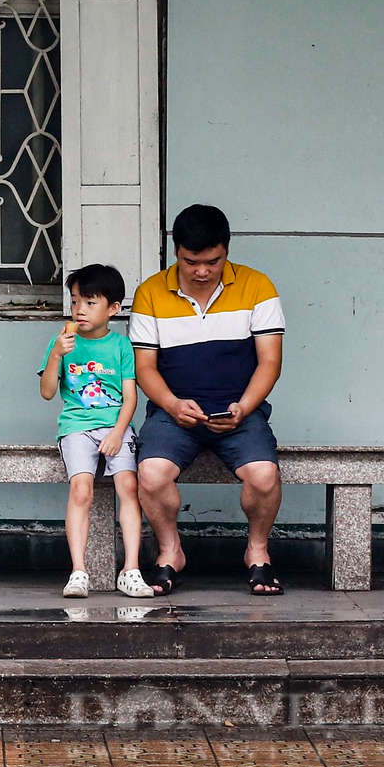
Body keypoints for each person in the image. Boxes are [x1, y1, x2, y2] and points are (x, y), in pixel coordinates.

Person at [130, 204, 287, 597]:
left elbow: (270, 361)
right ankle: (170, 552)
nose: (202, 271)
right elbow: (145, 367)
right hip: (173, 413)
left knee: (264, 476)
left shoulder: (258, 287)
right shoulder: (150, 292)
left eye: (213, 262)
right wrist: (171, 405)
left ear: (227, 250)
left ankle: (257, 551)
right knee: (150, 475)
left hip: (240, 412)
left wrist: (245, 408)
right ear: (176, 252)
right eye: (191, 262)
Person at [40, 264, 154, 599]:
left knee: (128, 487)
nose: (79, 310)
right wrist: (56, 356)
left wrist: (119, 433)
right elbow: (48, 392)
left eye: (90, 303)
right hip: (76, 427)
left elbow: (130, 397)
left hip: (116, 427)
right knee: (81, 491)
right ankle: (78, 571)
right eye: (75, 301)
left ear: (113, 309)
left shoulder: (120, 346)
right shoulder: (62, 342)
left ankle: (130, 569)